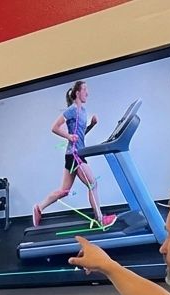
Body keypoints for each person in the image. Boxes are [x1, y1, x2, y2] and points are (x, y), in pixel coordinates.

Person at [32, 80, 118, 230]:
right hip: (75, 154)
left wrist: (91, 125)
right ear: (77, 93)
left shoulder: (83, 111)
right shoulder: (71, 110)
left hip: (75, 153)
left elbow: (80, 135)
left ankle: (39, 207)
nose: (87, 93)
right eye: (85, 90)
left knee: (64, 191)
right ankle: (100, 219)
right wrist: (68, 136)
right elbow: (54, 127)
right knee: (93, 184)